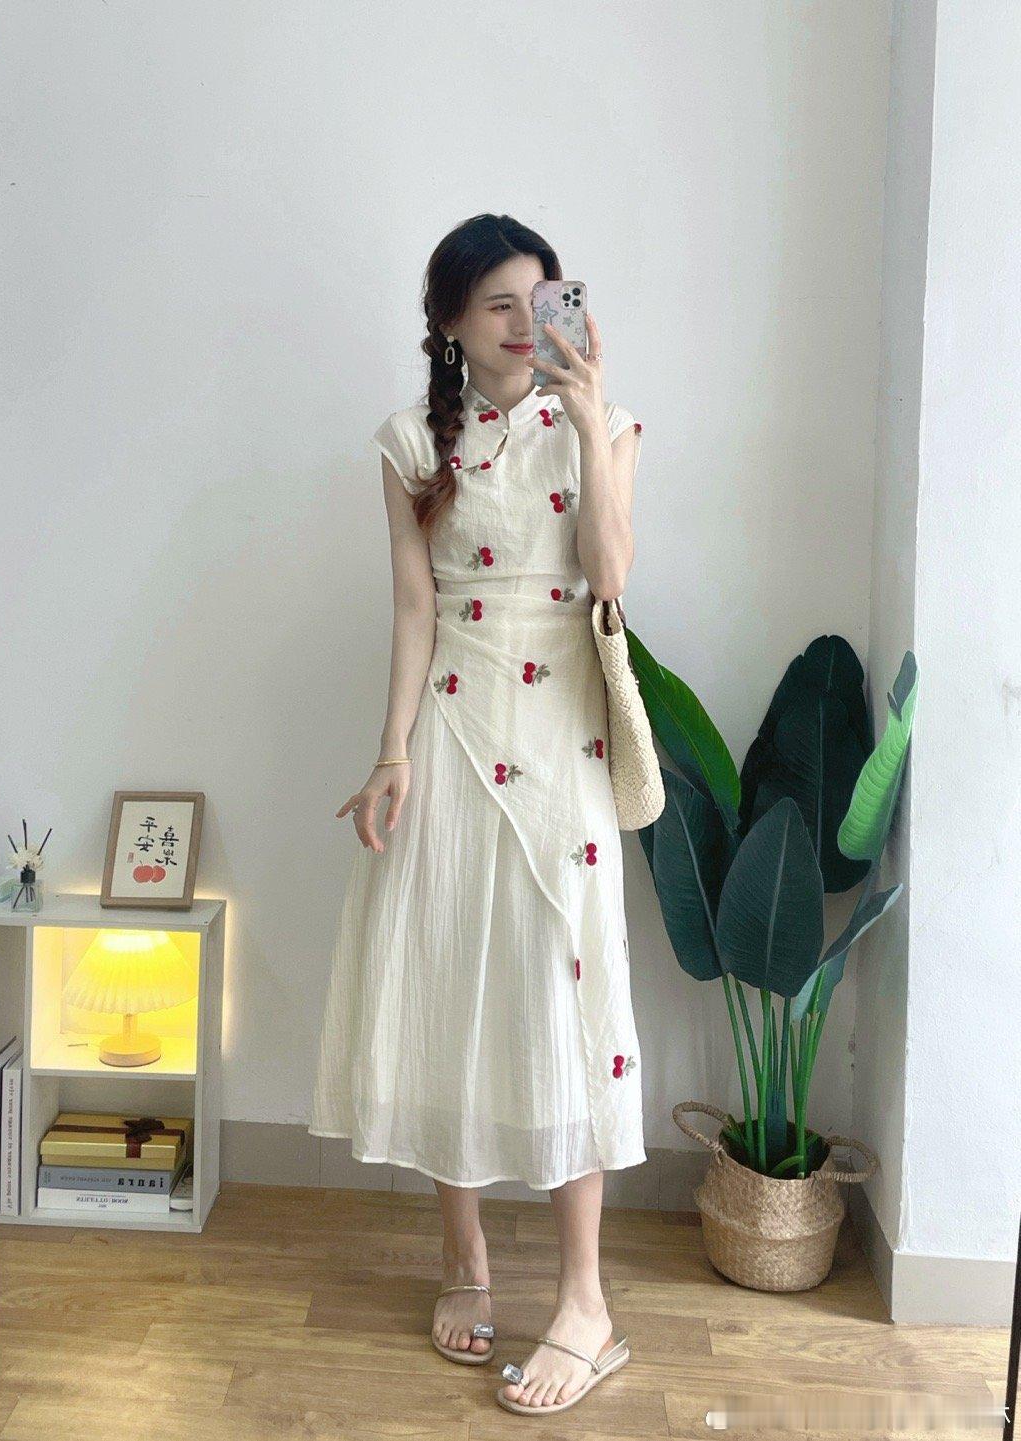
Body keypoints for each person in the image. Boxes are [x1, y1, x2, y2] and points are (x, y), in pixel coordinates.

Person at [308, 213, 645, 1414]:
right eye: (497, 302)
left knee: (564, 989)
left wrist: (590, 421)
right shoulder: (410, 442)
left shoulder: (605, 427)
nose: (521, 321)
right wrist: (391, 751)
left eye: (539, 298)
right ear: (449, 320)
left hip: (561, 735)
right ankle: (465, 1255)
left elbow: (611, 577)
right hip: (451, 729)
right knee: (448, 976)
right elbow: (415, 608)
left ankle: (586, 1302)